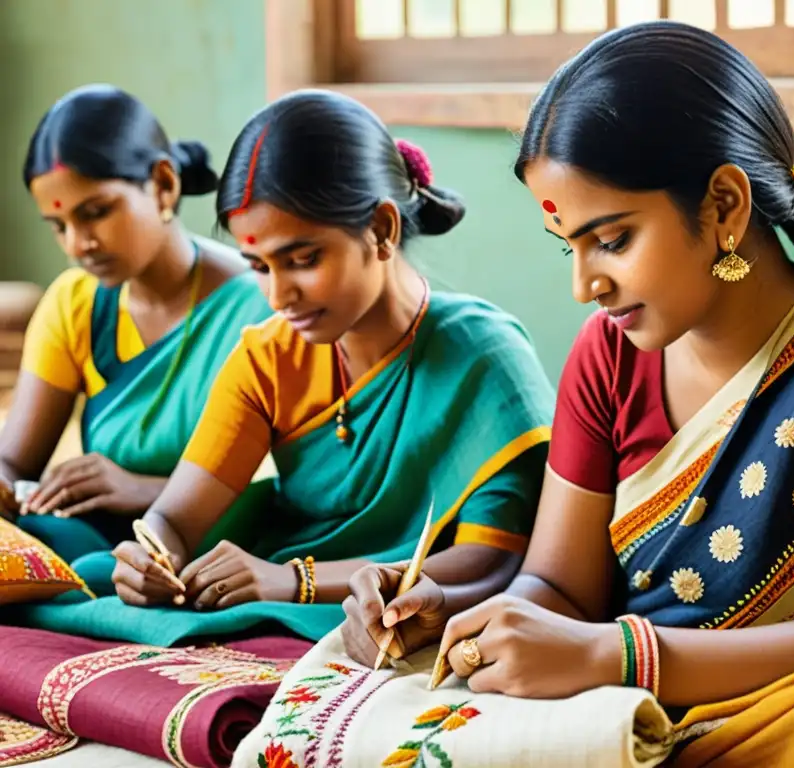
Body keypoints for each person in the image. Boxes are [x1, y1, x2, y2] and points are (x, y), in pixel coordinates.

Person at [340, 22, 794, 765]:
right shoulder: (608, 356)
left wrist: (625, 658)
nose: (584, 285)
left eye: (613, 240)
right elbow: (558, 587)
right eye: (570, 247)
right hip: (632, 710)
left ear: (725, 205)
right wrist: (460, 616)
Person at [91, 90, 554, 647]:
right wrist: (150, 554)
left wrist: (293, 581)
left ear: (382, 230)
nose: (279, 294)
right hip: (272, 598)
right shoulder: (269, 355)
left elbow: (490, 560)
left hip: (414, 613)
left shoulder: (485, 358)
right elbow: (176, 519)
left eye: (303, 259)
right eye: (258, 266)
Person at [0, 85, 272, 593]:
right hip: (98, 544)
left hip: (228, 551)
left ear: (163, 185)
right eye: (58, 225)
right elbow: (15, 461)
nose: (79, 244)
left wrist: (143, 491)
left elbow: (293, 491)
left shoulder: (262, 305)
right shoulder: (77, 303)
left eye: (96, 212)